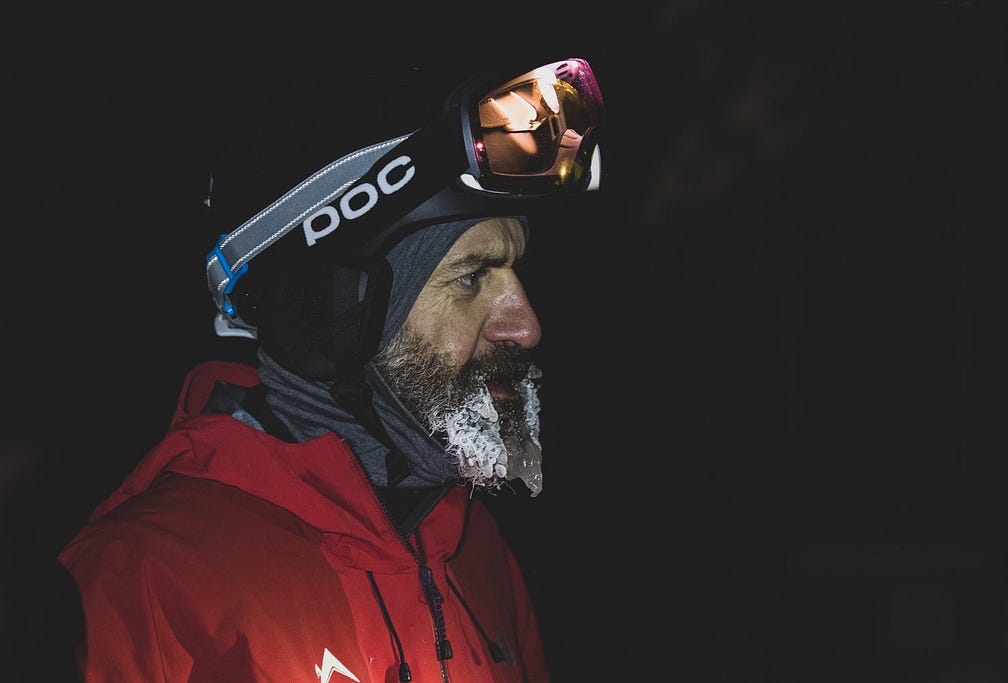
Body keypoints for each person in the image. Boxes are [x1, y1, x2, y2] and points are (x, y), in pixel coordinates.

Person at [55, 52, 605, 682]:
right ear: (333, 310)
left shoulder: (472, 548)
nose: (526, 324)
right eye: (472, 277)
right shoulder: (141, 591)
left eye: (516, 272)